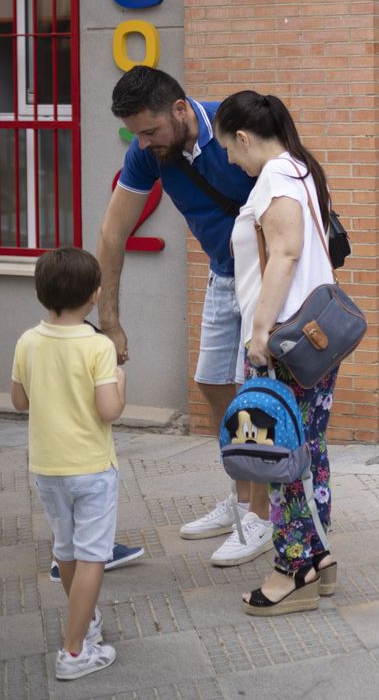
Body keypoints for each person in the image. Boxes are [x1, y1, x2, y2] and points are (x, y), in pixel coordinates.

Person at [95, 66, 271, 567]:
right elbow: (112, 232)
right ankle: (242, 498)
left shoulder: (232, 126)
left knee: (257, 389)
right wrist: (111, 319)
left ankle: (262, 515)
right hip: (223, 275)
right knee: (215, 383)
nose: (145, 143)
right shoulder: (148, 152)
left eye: (149, 131)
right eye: (137, 134)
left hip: (268, 277)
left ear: (179, 109)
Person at [214, 91, 339, 617]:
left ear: (244, 138)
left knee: (279, 452)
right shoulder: (301, 168)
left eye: (228, 148)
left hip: (283, 340)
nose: (228, 160)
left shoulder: (274, 178)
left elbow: (284, 254)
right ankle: (318, 556)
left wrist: (259, 334)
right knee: (307, 445)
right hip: (313, 334)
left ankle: (294, 568)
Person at [11, 247, 126, 681]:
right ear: (95, 294)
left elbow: (20, 401)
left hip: (46, 466)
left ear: (42, 294)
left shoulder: (27, 340)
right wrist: (120, 380)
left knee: (66, 550)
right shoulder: (98, 346)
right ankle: (74, 651)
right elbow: (108, 410)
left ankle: (86, 620)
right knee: (94, 554)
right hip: (92, 467)